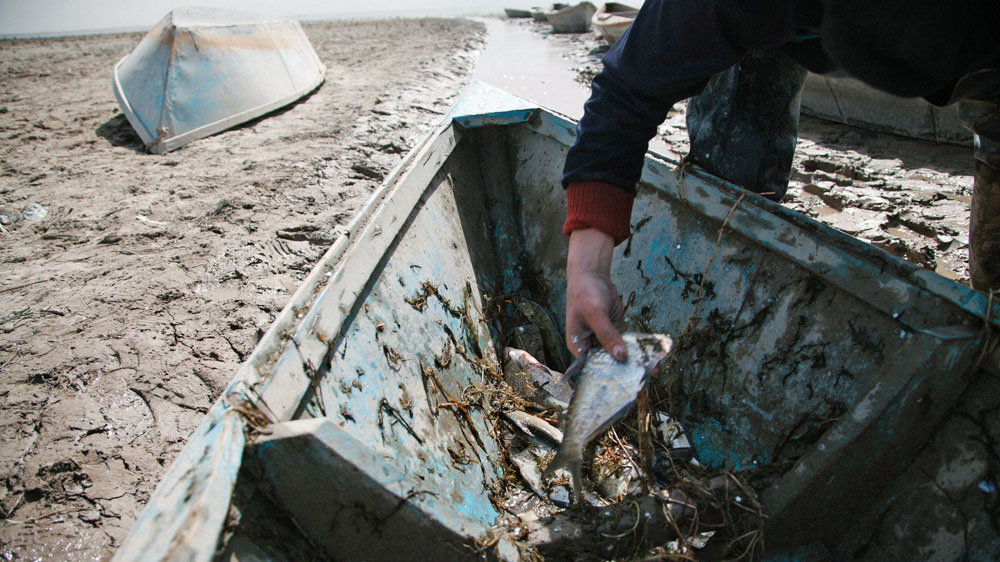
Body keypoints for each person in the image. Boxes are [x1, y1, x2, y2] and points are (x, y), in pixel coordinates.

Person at [562, 0, 1000, 360]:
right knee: (737, 169)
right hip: (778, 27)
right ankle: (713, 331)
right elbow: (626, 90)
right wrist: (587, 267)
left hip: (982, 60)